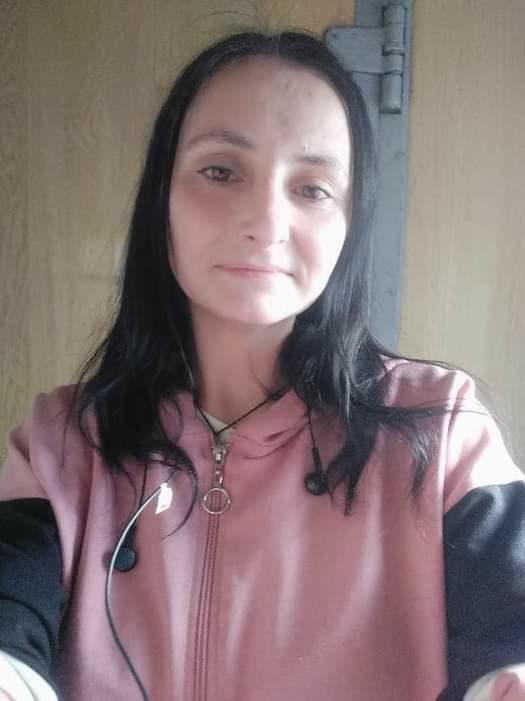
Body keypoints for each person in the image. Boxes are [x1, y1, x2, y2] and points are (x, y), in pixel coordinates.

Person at [0, 29, 524, 701]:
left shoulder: (442, 431)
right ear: (161, 198)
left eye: (312, 188)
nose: (265, 220)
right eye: (221, 171)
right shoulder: (62, 442)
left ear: (349, 224)